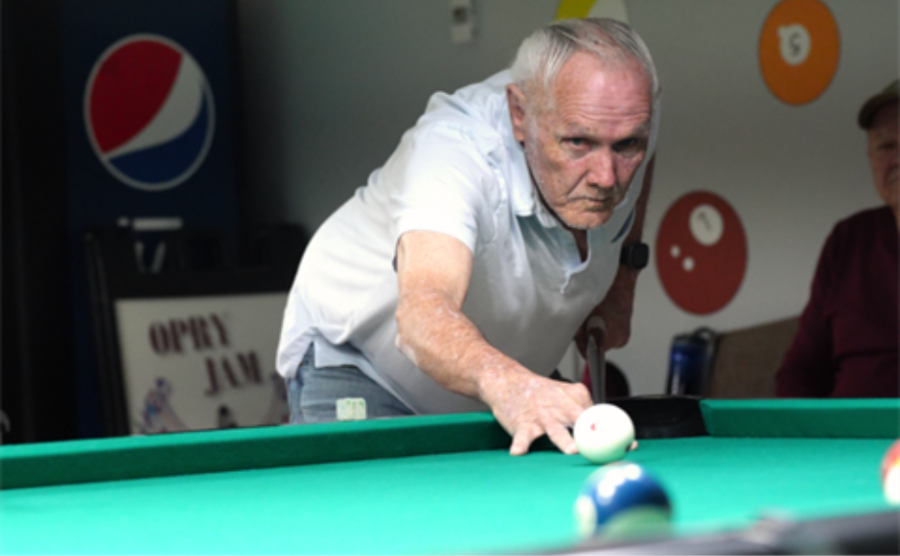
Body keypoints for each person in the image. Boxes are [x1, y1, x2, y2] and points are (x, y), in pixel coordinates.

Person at [277, 18, 660, 455]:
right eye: (577, 143)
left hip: (497, 377)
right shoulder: (453, 155)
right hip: (362, 361)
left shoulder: (628, 111)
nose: (606, 177)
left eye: (627, 146)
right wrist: (514, 386)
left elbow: (640, 165)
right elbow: (423, 314)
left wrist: (623, 279)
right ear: (520, 115)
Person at [775, 80, 899, 398]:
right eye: (886, 147)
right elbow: (801, 370)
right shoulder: (849, 239)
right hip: (844, 441)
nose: (897, 159)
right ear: (871, 158)